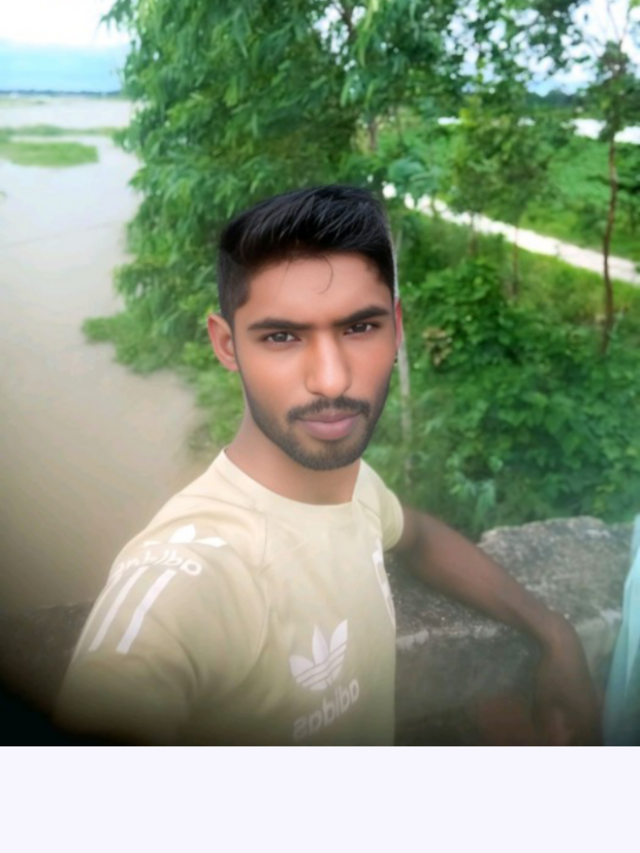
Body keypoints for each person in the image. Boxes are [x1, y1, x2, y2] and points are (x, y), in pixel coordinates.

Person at [54, 185, 600, 745]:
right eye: (282, 336)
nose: (332, 380)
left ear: (396, 328)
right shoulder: (189, 571)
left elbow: (416, 535)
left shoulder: (356, 488)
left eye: (359, 328)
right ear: (227, 345)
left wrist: (552, 631)